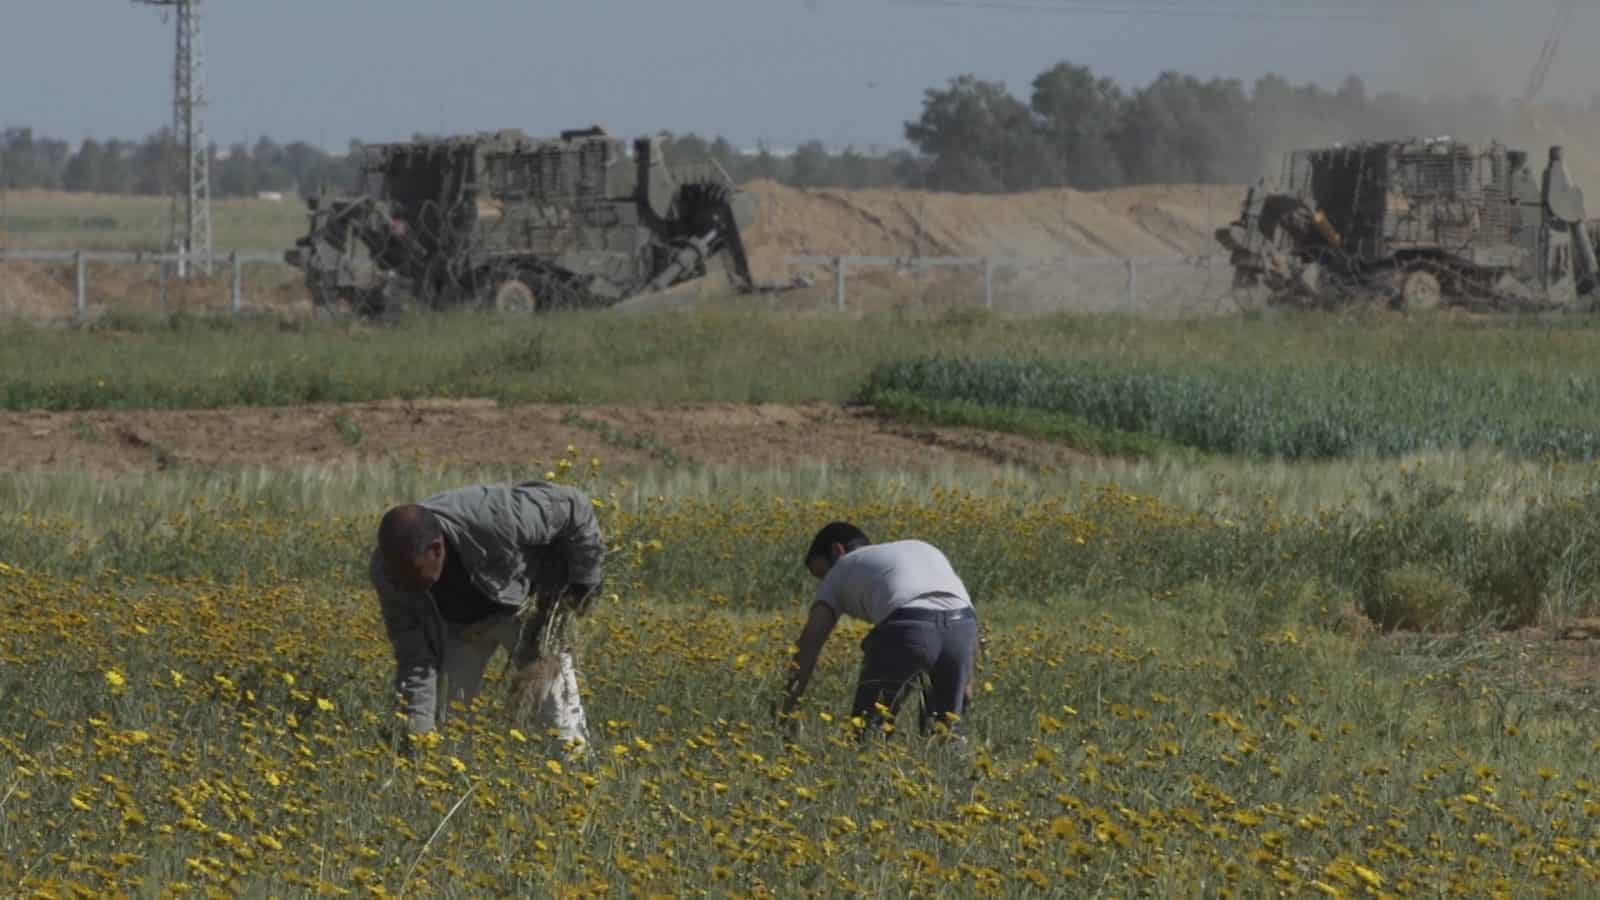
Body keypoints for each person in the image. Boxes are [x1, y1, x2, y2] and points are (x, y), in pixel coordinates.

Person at [369, 480, 604, 751]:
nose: (403, 586)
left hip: (523, 611)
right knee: (450, 736)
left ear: (436, 549)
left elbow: (574, 506)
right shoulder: (389, 573)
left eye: (411, 576)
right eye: (397, 579)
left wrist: (584, 582)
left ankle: (575, 772)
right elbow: (416, 658)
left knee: (559, 718)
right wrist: (417, 734)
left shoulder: (495, 515)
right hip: (458, 630)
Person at [778, 521, 979, 740]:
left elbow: (810, 643)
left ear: (837, 551)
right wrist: (962, 685)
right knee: (944, 736)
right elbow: (959, 608)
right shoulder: (921, 548)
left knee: (867, 731)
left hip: (908, 626)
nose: (822, 582)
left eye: (821, 573)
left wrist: (785, 708)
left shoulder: (840, 569)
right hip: (963, 625)